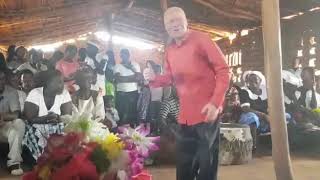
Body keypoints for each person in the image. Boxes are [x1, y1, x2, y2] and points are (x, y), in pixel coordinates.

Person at [145, 7, 229, 180]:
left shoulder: (202, 40)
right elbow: (169, 78)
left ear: (186, 21)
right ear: (165, 26)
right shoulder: (170, 50)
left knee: (207, 162)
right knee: (184, 161)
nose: (175, 24)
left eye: (178, 19)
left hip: (208, 112)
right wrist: (154, 78)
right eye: (170, 22)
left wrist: (215, 103)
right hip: (185, 114)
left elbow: (224, 71)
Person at [23, 70, 72, 161]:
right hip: (37, 125)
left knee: (65, 129)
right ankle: (41, 160)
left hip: (57, 124)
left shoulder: (64, 93)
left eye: (62, 82)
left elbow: (67, 117)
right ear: (48, 83)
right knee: (34, 130)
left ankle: (60, 159)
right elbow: (30, 119)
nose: (62, 85)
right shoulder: (35, 93)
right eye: (58, 82)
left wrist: (58, 118)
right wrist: (46, 119)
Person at [0, 70, 25, 175]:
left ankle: (14, 163)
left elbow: (16, 114)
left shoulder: (11, 91)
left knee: (19, 123)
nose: (1, 82)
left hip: (3, 125)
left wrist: (2, 116)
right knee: (14, 131)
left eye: (2, 79)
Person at [114, 48, 142, 126]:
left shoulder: (135, 65)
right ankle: (119, 128)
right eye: (122, 55)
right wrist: (133, 77)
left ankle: (132, 129)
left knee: (132, 111)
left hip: (133, 92)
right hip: (121, 92)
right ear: (120, 56)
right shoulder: (117, 66)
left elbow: (139, 78)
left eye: (125, 55)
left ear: (129, 55)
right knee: (120, 111)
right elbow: (118, 79)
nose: (124, 57)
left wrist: (131, 69)